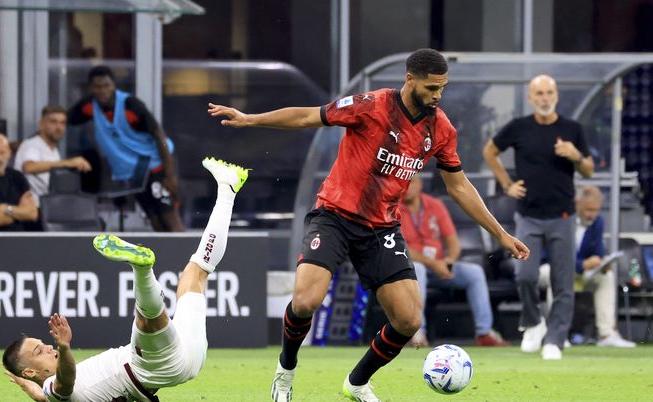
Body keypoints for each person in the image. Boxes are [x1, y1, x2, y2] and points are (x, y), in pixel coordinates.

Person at [208, 48, 529, 402]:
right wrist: (252, 119)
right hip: (334, 215)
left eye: (443, 87)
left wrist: (500, 233)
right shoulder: (371, 105)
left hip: (381, 230)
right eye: (431, 87)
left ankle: (357, 382)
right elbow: (307, 117)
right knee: (305, 301)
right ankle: (285, 372)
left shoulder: (441, 128)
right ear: (410, 80)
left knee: (408, 320)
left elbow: (458, 186)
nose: (438, 95)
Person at [1, 157, 249, 401]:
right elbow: (66, 383)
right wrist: (65, 346)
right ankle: (142, 270)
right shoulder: (57, 387)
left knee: (196, 272)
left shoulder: (48, 394)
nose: (48, 347)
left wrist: (24, 383)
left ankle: (227, 188)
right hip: (153, 366)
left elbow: (41, 395)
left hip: (189, 357)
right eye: (39, 351)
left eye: (43, 344)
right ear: (32, 369)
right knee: (145, 321)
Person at [482, 74, 594, 360]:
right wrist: (507, 184)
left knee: (563, 281)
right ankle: (532, 322)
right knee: (525, 275)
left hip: (563, 215)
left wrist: (575, 155)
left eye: (549, 93)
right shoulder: (519, 127)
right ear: (531, 98)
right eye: (539, 93)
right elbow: (490, 151)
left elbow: (589, 171)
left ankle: (555, 339)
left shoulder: (572, 129)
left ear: (556, 95)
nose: (545, 98)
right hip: (528, 215)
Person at [67, 65, 184, 232]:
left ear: (113, 85)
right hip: (135, 172)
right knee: (153, 217)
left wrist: (169, 175)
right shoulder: (89, 106)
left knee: (169, 216)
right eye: (97, 87)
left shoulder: (130, 105)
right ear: (91, 88)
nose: (102, 91)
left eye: (106, 85)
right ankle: (167, 257)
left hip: (157, 165)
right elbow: (65, 119)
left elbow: (159, 135)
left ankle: (188, 256)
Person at [399, 176, 509, 347]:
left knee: (474, 272)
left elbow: (453, 242)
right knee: (418, 269)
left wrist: (449, 262)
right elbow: (402, 248)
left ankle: (484, 332)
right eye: (404, 183)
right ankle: (417, 333)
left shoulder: (434, 205)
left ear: (420, 184)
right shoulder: (394, 208)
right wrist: (433, 263)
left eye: (411, 182)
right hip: (409, 268)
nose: (407, 187)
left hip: (440, 266)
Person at [538, 185, 635, 348]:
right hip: (546, 268)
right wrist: (581, 264)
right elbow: (551, 256)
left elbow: (598, 251)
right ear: (577, 203)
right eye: (589, 209)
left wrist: (603, 264)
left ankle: (606, 334)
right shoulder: (561, 219)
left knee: (606, 278)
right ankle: (557, 334)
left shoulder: (597, 222)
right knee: (557, 275)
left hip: (579, 273)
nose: (592, 214)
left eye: (596, 210)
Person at [14, 105, 92, 205]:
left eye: (62, 123)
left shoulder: (54, 150)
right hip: (34, 209)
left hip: (51, 205)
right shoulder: (32, 145)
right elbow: (29, 167)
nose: (58, 127)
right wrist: (68, 163)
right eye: (53, 122)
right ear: (41, 124)